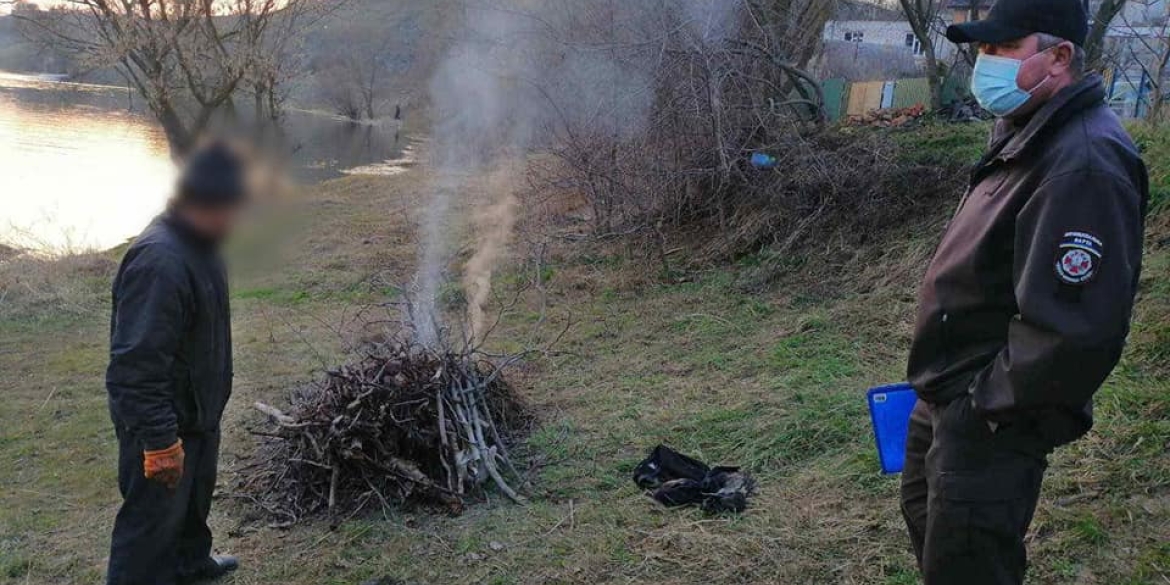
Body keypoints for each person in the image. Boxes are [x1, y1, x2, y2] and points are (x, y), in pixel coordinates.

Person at [901, 0, 1150, 583]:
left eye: (1002, 48)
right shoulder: (1027, 132)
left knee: (970, 565)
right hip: (946, 395)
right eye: (983, 48)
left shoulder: (1083, 162)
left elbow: (1073, 332)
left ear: (1059, 57)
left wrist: (982, 409)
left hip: (988, 420)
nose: (983, 62)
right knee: (935, 538)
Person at [105, 142, 247, 585]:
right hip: (164, 426)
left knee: (191, 513)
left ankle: (191, 570)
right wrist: (160, 441)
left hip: (198, 415)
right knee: (148, 532)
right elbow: (136, 366)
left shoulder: (202, 245)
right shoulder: (161, 261)